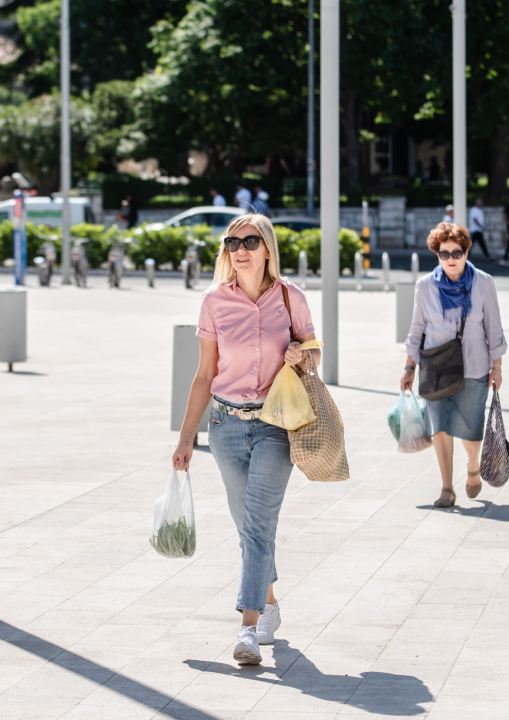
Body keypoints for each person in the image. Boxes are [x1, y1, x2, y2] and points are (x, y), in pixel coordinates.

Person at [173, 213, 319, 666]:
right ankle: (270, 599)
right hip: (224, 427)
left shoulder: (290, 296)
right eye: (233, 241)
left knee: (257, 525)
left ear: (268, 249)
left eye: (251, 241)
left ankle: (248, 628)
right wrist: (184, 441)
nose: (240, 249)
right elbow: (203, 375)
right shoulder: (215, 302)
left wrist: (301, 354)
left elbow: (315, 354)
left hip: (276, 425)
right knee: (246, 526)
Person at [402, 222, 507, 508]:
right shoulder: (425, 286)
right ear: (436, 254)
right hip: (435, 368)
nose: (450, 259)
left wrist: (497, 367)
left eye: (457, 253)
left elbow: (494, 328)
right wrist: (409, 367)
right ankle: (447, 487)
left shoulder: (483, 283)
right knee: (440, 428)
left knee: (471, 428)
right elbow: (416, 329)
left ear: (467, 251)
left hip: (474, 367)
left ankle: (473, 466)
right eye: (443, 253)